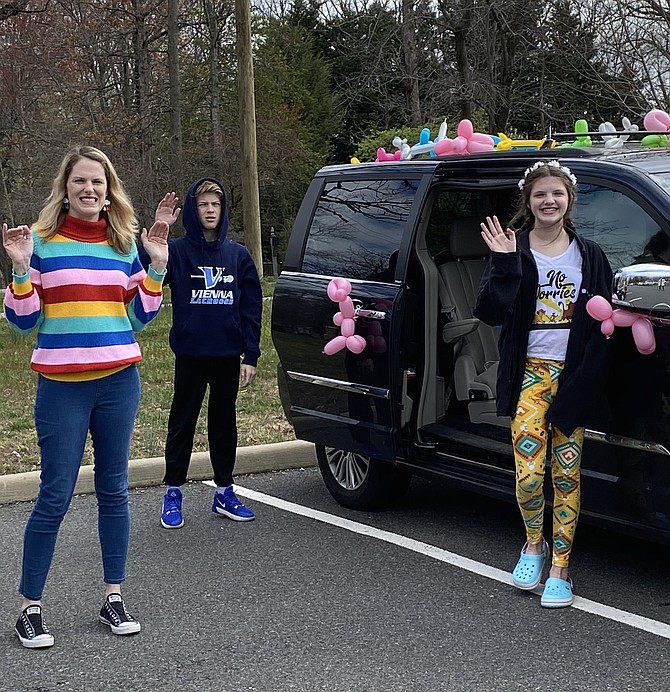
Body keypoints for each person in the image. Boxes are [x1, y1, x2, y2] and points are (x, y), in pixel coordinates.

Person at [2, 145, 169, 648]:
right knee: (55, 495)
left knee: (115, 490)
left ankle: (113, 597)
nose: (89, 190)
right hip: (61, 390)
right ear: (66, 187)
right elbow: (21, 324)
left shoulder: (123, 245)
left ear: (109, 189)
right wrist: (20, 270)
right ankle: (30, 607)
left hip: (120, 383)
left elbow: (139, 318)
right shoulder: (38, 242)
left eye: (98, 182)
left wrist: (156, 266)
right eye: (80, 182)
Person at [474, 160, 613, 608]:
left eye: (557, 193)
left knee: (567, 474)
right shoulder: (512, 249)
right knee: (531, 475)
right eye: (540, 194)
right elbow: (491, 312)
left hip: (572, 377)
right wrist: (502, 262)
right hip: (530, 374)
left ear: (569, 200)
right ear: (528, 202)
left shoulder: (590, 255)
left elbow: (606, 324)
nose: (549, 200)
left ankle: (561, 567)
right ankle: (532, 544)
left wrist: (587, 383)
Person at [151, 178, 262, 529]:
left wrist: (251, 354)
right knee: (182, 423)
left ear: (223, 209)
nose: (210, 210)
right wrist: (160, 232)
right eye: (202, 205)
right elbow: (145, 274)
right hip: (190, 354)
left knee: (223, 424)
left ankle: (224, 491)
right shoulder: (179, 251)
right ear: (193, 210)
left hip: (227, 355)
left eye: (215, 204)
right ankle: (172, 493)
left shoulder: (238, 255)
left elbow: (252, 307)